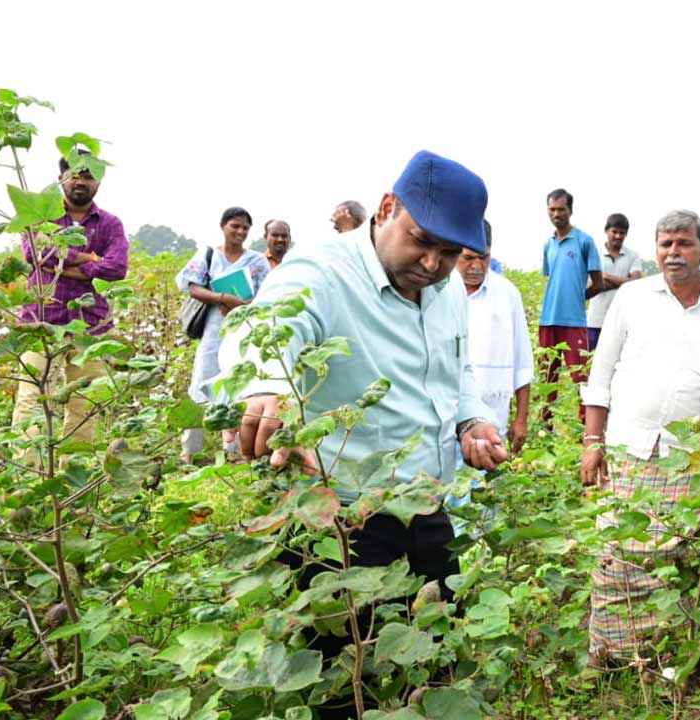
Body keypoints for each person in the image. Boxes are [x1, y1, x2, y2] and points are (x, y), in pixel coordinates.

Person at [220, 151, 507, 718]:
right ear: (385, 208)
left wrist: (471, 421)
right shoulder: (321, 272)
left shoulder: (447, 290)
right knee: (346, 685)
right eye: (421, 240)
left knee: (431, 669)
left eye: (450, 253)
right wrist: (266, 386)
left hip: (429, 510)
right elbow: (262, 330)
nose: (431, 262)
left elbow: (458, 371)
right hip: (345, 523)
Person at [581, 209, 700, 659]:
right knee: (618, 554)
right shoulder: (630, 298)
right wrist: (593, 443)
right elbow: (602, 370)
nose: (674, 253)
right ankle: (610, 656)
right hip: (629, 445)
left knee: (680, 556)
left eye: (684, 243)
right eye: (666, 244)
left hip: (693, 453)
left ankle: (666, 656)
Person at [11, 152, 129, 454]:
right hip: (41, 320)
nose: (80, 181)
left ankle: (70, 478)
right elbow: (36, 254)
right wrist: (91, 258)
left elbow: (117, 268)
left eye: (88, 176)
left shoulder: (110, 224)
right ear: (61, 177)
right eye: (74, 174)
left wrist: (68, 262)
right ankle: (27, 475)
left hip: (90, 327)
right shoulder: (42, 213)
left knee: (83, 405)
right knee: (32, 399)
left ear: (98, 182)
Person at [176, 207, 271, 464]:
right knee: (201, 385)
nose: (240, 232)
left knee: (239, 386)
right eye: (235, 226)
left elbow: (266, 293)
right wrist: (221, 297)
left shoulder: (256, 261)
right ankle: (189, 452)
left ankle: (236, 451)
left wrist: (242, 303)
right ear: (223, 226)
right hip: (213, 329)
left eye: (244, 228)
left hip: (243, 331)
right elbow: (192, 286)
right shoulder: (208, 255)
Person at [455, 220, 534, 453]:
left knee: (484, 485)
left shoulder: (507, 294)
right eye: (468, 258)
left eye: (484, 257)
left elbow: (522, 362)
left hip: (489, 426)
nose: (477, 266)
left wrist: (520, 420)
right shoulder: (437, 289)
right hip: (444, 423)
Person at [538, 188, 602, 397]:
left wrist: (577, 299)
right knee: (547, 378)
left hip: (574, 321)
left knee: (581, 378)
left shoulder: (584, 241)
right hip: (548, 320)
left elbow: (598, 284)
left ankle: (587, 427)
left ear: (570, 211)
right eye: (552, 210)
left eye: (561, 209)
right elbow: (552, 280)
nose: (556, 215)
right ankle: (546, 426)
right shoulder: (549, 244)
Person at [585, 213, 643, 350]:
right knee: (589, 362)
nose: (618, 236)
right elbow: (588, 287)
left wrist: (605, 276)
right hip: (595, 319)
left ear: (626, 234)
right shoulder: (594, 253)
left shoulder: (632, 256)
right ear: (606, 230)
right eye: (614, 232)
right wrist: (624, 283)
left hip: (621, 320)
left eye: (622, 233)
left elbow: (636, 283)